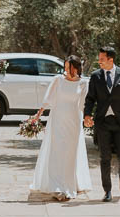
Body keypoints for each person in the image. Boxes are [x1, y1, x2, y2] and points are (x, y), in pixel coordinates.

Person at [30, 55, 92, 201]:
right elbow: (48, 100)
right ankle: (56, 187)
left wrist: (88, 119)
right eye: (64, 67)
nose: (65, 70)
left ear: (76, 68)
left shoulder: (83, 83)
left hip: (74, 122)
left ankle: (69, 184)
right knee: (57, 152)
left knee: (70, 154)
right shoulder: (58, 80)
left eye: (68, 67)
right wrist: (37, 116)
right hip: (57, 120)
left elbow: (83, 105)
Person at [83, 45, 120, 202]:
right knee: (104, 158)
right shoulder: (95, 76)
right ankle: (107, 190)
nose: (99, 62)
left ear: (110, 60)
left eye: (102, 59)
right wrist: (87, 114)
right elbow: (90, 99)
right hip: (102, 122)